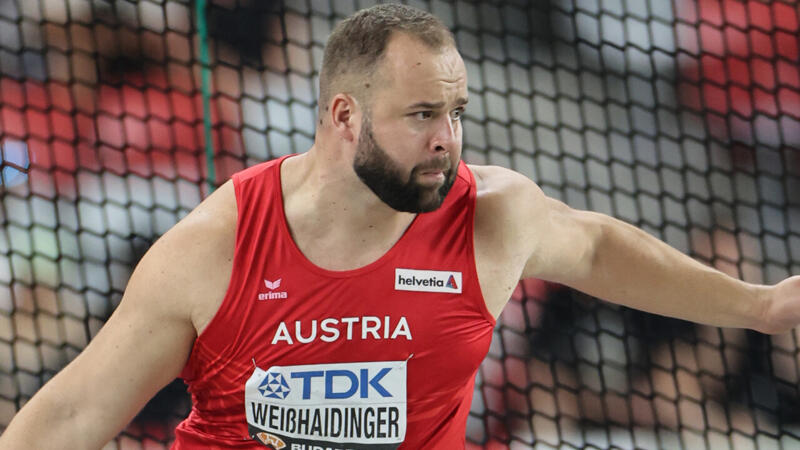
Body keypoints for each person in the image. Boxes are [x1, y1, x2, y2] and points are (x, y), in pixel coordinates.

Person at [2, 4, 799, 449]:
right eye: (423, 114)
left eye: (455, 112)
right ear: (344, 117)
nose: (448, 139)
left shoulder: (490, 217)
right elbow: (71, 418)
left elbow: (594, 246)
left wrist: (760, 306)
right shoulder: (215, 248)